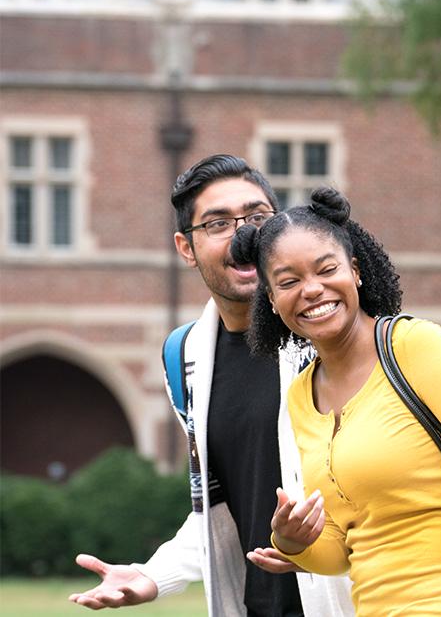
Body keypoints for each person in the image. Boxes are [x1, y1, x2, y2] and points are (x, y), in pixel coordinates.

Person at [228, 187, 441, 615]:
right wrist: (292, 541)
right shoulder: (301, 396)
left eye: (326, 269)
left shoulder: (414, 346)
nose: (313, 290)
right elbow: (341, 547)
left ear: (354, 270)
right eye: (289, 281)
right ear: (272, 301)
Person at [68, 154, 354, 615]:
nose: (244, 236)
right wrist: (152, 576)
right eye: (218, 223)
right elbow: (221, 509)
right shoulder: (184, 358)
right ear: (186, 247)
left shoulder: (333, 337)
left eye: (258, 217)